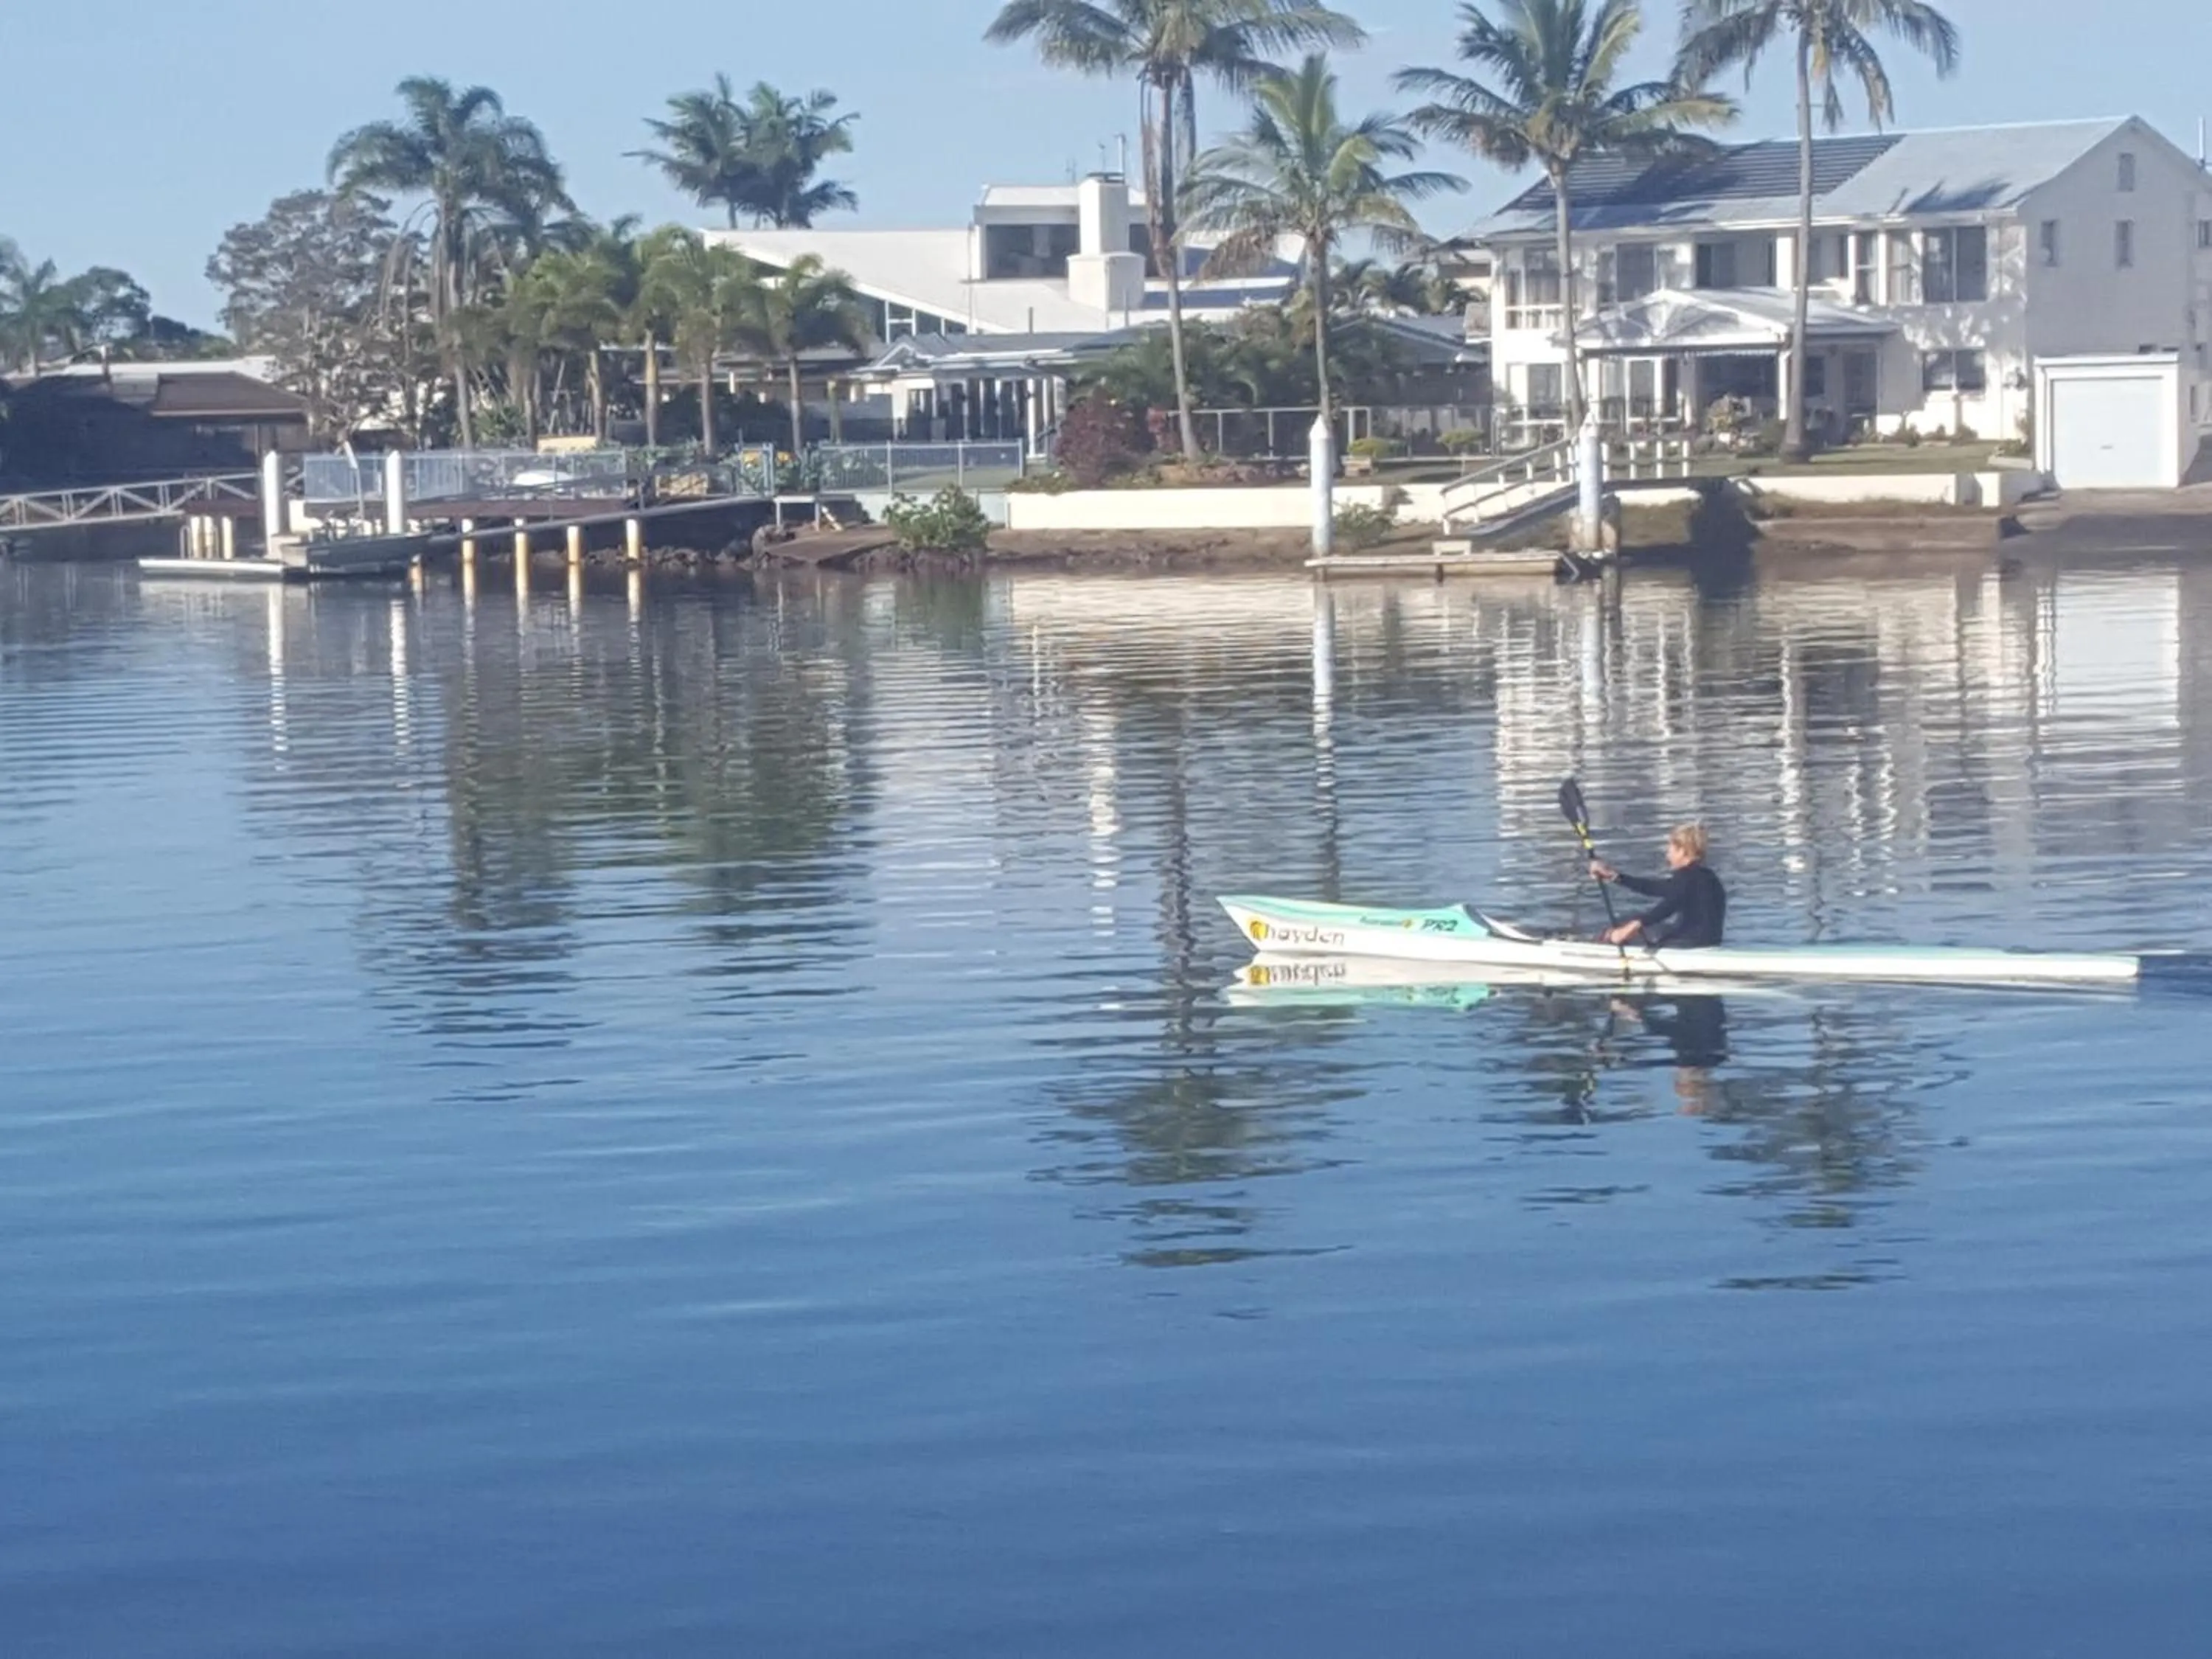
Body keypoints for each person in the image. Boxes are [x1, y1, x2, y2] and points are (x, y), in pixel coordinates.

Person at [1590, 824, 1726, 949]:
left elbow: (1666, 908)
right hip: (1712, 942)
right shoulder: (1709, 877)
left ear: (1682, 851)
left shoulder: (1686, 879)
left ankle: (1598, 947)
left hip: (1687, 945)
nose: (1667, 856)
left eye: (1670, 850)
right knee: (1640, 923)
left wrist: (1632, 927)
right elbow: (1654, 887)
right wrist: (1615, 877)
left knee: (1626, 922)